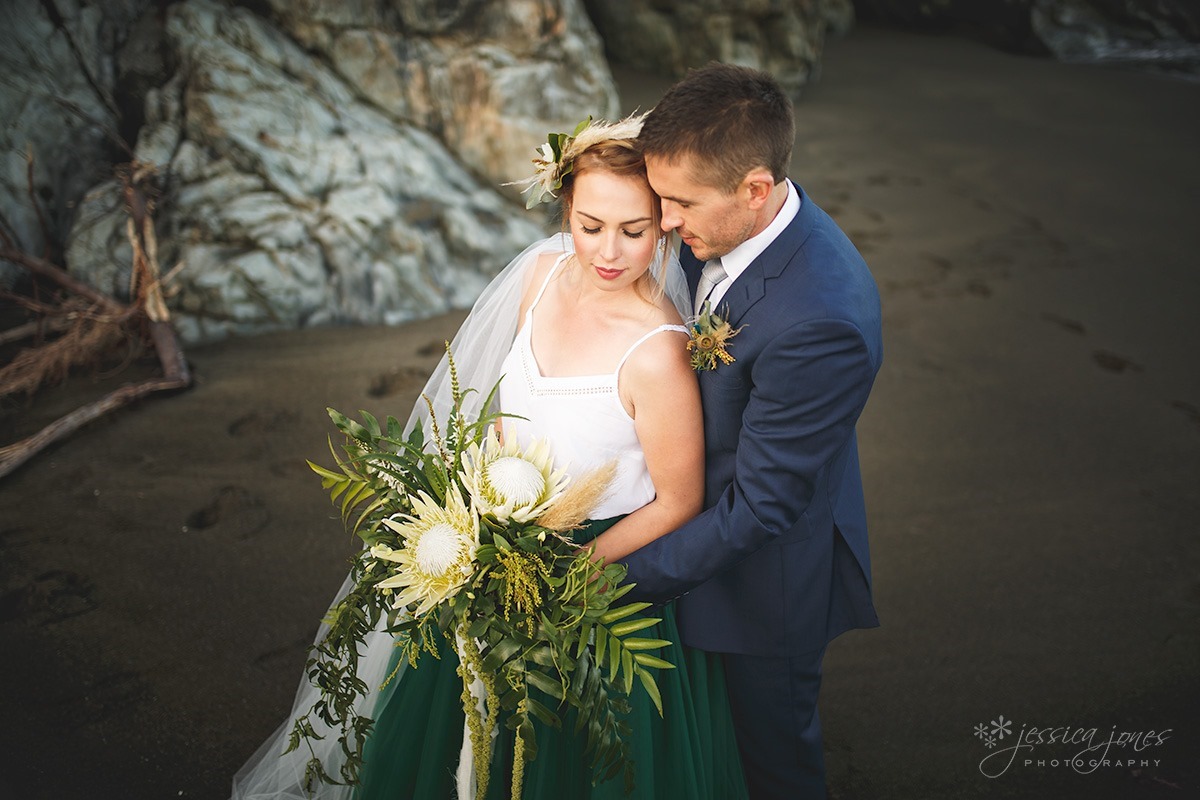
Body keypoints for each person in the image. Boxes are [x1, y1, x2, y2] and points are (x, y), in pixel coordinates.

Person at [231, 116, 747, 799]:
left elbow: (679, 501)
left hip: (592, 577)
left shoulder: (657, 354)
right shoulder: (539, 277)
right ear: (567, 209)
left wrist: (562, 574)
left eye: (635, 229)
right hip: (497, 538)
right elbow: (504, 410)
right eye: (591, 225)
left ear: (662, 227)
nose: (609, 252)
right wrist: (485, 521)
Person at [619, 63, 884, 800]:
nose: (664, 223)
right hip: (702, 527)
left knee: (770, 765)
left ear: (756, 190)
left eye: (678, 204)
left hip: (764, 585)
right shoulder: (738, 222)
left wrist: (613, 582)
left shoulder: (820, 320)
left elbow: (763, 507)